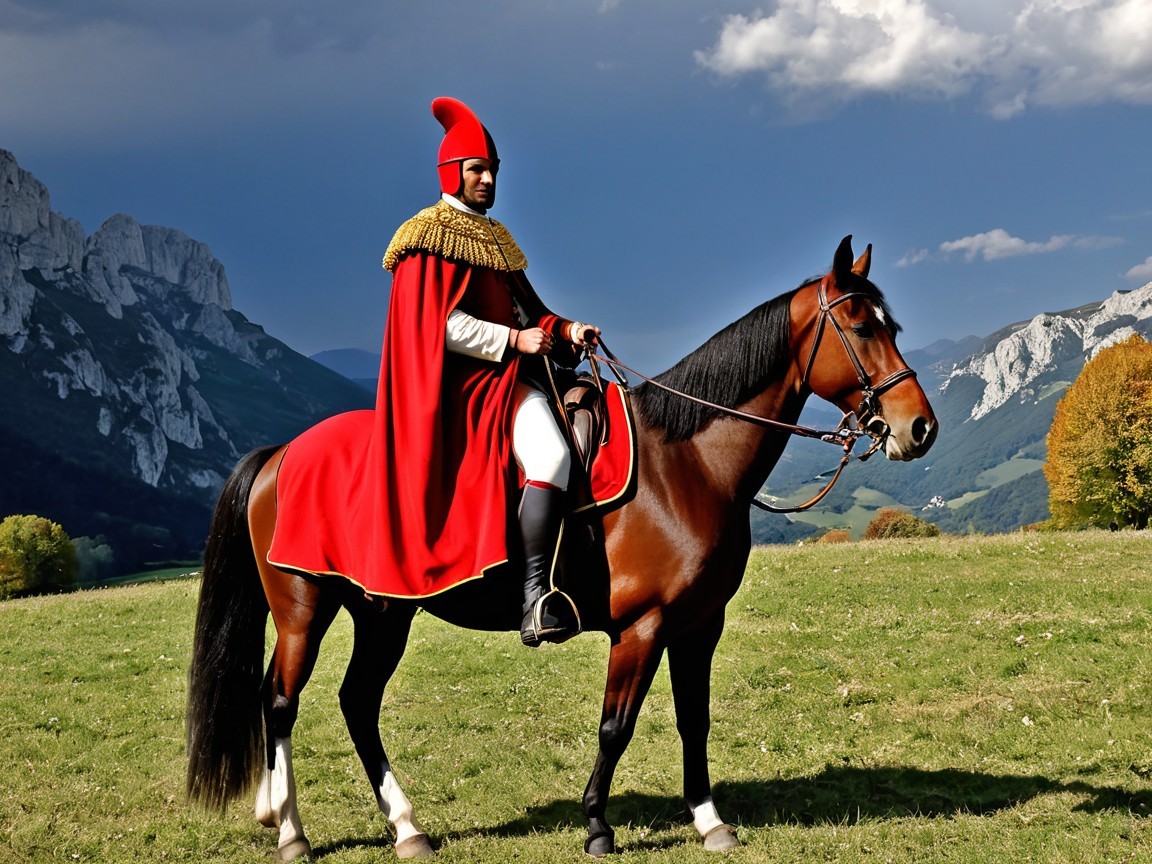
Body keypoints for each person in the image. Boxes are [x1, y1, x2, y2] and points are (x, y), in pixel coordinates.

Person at [378, 97, 600, 646]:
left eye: (493, 170)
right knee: (549, 453)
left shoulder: (497, 238)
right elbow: (437, 327)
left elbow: (531, 311)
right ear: (452, 172)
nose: (488, 179)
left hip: (510, 374)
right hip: (463, 387)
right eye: (477, 169)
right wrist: (512, 340)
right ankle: (533, 599)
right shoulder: (425, 237)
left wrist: (567, 330)